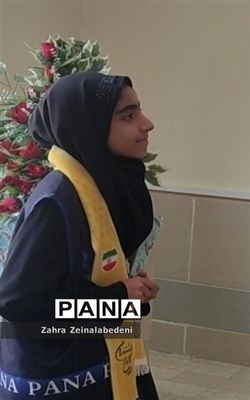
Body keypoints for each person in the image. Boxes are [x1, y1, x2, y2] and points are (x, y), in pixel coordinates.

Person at [0, 72, 160, 399]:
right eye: (128, 116)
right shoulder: (56, 202)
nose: (147, 124)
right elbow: (19, 304)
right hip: (60, 378)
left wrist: (130, 296)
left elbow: (81, 281)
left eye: (139, 112)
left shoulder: (99, 187)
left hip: (96, 359)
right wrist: (117, 298)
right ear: (90, 129)